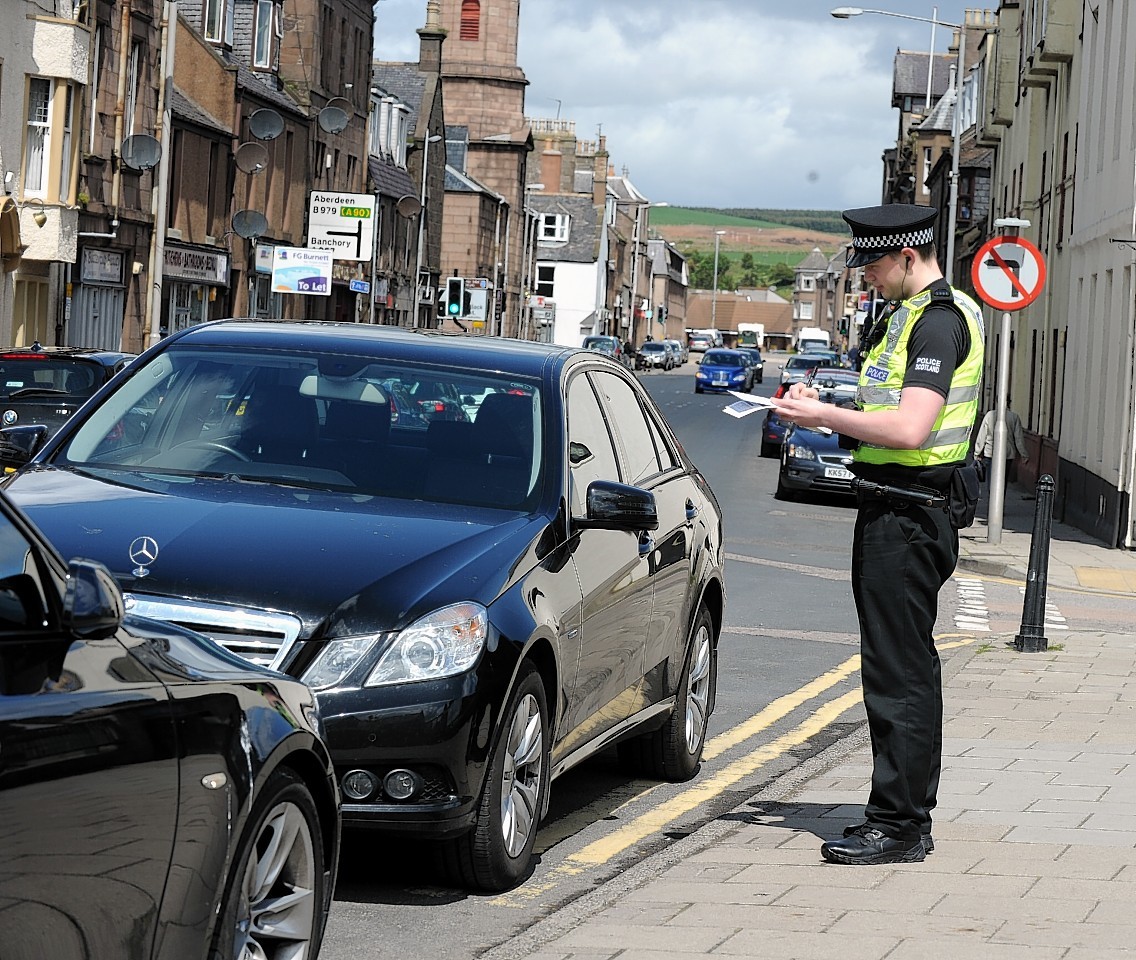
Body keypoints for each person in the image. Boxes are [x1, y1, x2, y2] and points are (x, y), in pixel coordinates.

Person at [771, 203, 985, 866]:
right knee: (901, 667)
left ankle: (898, 825)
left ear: (908, 257)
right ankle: (901, 813)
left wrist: (820, 412)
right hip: (895, 508)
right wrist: (828, 411)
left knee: (899, 674)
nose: (866, 276)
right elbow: (880, 412)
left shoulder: (940, 322)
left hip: (910, 515)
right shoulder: (906, 317)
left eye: (873, 263)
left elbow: (911, 429)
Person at [974, 406, 1028, 484]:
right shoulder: (1014, 417)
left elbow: (982, 435)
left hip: (990, 452)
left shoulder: (989, 415)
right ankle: (1002, 495)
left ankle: (991, 494)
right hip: (1007, 454)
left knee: (991, 480)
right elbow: (1019, 439)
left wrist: (977, 452)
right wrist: (1024, 455)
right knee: (1003, 481)